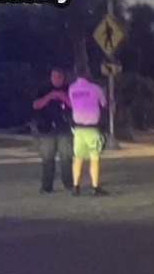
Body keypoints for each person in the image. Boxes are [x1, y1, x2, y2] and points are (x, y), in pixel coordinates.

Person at [32, 67, 74, 193]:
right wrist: (50, 96)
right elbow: (36, 105)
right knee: (47, 158)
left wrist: (62, 97)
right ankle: (46, 186)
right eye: (54, 77)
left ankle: (69, 184)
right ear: (51, 77)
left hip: (64, 128)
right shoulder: (44, 89)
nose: (56, 79)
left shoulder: (68, 89)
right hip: (47, 129)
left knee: (66, 158)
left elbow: (74, 105)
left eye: (59, 77)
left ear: (63, 78)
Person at [68, 66, 108, 196]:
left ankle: (75, 186)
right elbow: (103, 103)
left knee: (77, 158)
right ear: (88, 74)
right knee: (94, 158)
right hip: (92, 128)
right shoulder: (95, 88)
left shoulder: (72, 89)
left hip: (78, 129)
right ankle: (95, 187)